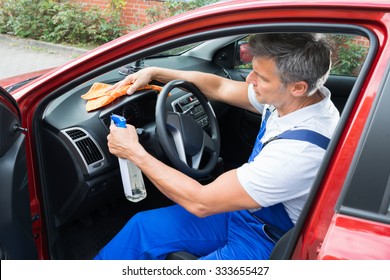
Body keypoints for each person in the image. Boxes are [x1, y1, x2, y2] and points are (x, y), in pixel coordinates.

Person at [94, 33, 340, 260]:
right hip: (243, 212)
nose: (250, 80)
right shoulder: (292, 99)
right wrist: (156, 72)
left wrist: (133, 152)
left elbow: (201, 202)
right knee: (143, 227)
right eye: (252, 71)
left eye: (261, 78)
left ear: (298, 87)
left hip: (268, 241)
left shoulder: (299, 152)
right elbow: (220, 87)